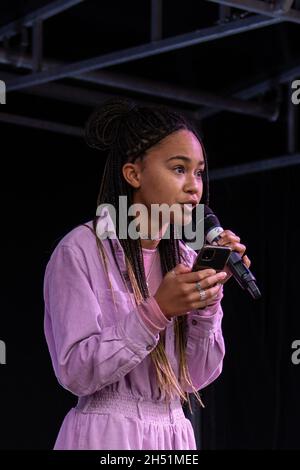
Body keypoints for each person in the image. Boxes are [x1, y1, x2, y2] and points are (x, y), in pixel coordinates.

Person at [43, 99, 250, 450]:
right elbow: (75, 372)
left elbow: (194, 379)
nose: (194, 186)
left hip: (173, 433)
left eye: (199, 172)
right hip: (107, 433)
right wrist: (156, 312)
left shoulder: (185, 257)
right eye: (179, 169)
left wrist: (205, 305)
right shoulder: (81, 250)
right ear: (133, 174)